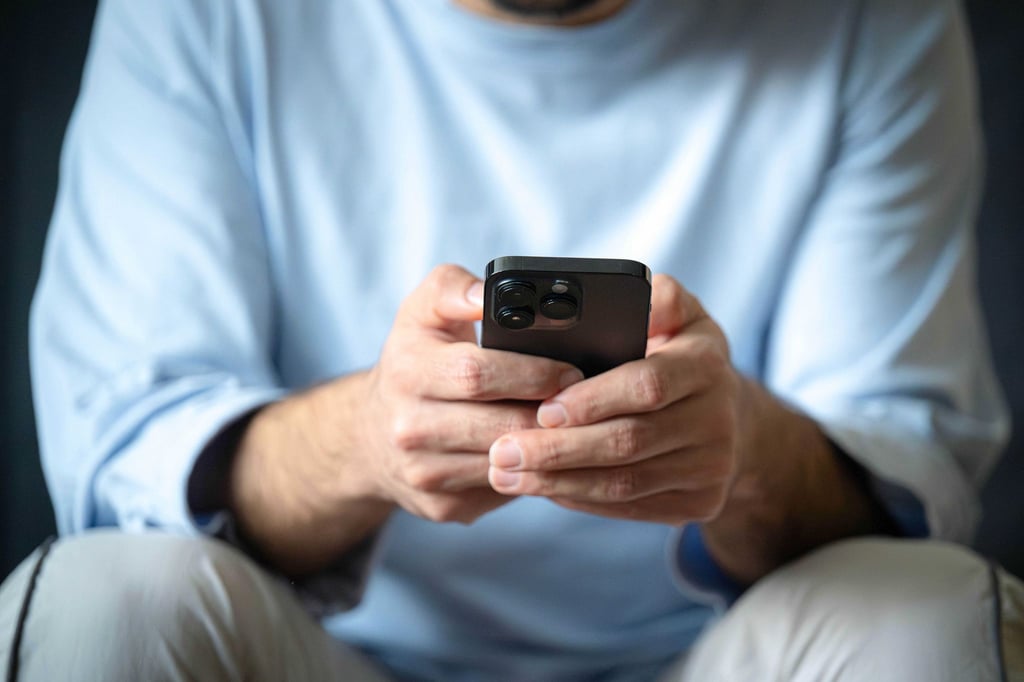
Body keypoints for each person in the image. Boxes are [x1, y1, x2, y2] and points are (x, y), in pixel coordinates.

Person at [1, 0, 1021, 679]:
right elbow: (128, 451)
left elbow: (909, 473)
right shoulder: (202, 12)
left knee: (932, 616)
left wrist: (744, 451)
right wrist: (364, 442)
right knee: (103, 606)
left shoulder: (869, 15)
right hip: (320, 654)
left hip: (714, 656)